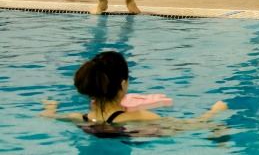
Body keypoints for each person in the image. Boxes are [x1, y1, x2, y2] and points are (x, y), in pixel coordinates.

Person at [40, 51, 229, 137]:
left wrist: (50, 108)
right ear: (123, 84)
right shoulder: (139, 116)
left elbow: (49, 117)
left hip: (98, 134)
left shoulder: (78, 118)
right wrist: (215, 111)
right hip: (127, 131)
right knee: (219, 128)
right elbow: (191, 127)